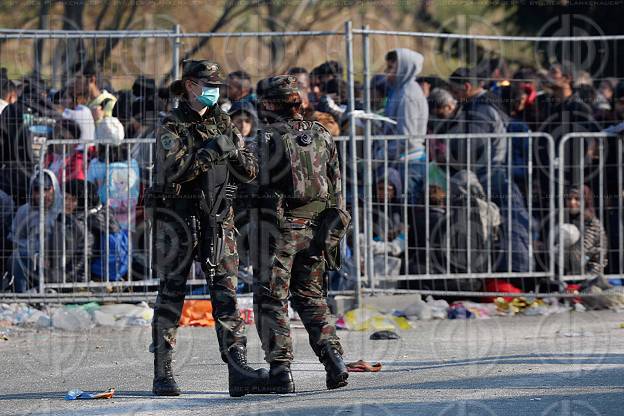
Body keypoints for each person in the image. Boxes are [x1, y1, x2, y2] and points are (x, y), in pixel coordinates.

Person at [147, 60, 266, 397]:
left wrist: (235, 150)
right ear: (189, 85)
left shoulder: (223, 121)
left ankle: (238, 367)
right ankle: (163, 372)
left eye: (217, 84)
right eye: (207, 83)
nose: (213, 90)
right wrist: (213, 151)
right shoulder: (171, 126)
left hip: (218, 219)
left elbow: (249, 171)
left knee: (226, 293)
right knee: (172, 294)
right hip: (179, 218)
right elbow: (175, 170)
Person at [254, 75, 350, 393]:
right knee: (311, 298)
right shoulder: (322, 134)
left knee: (272, 300)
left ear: (270, 104)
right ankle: (333, 360)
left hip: (278, 231)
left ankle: (281, 372)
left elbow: (251, 184)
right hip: (317, 229)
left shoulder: (266, 137)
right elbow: (335, 185)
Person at [378, 48, 428, 203]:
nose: (387, 72)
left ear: (404, 68)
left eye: (391, 68)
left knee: (408, 210)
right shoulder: (399, 90)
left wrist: (381, 155)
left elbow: (407, 137)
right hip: (401, 160)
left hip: (410, 163)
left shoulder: (408, 95)